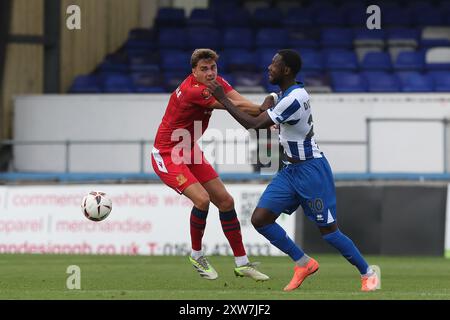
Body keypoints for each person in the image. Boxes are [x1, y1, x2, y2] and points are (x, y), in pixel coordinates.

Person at [206, 49, 380, 292]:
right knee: (260, 219)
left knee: (329, 232)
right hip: (290, 171)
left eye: (274, 64)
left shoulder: (294, 98)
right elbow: (272, 103)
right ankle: (303, 263)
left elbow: (255, 125)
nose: (269, 67)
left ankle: (368, 273)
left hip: (311, 170)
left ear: (286, 70)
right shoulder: (288, 93)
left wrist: (223, 99)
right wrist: (268, 99)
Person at [151, 48, 271, 281]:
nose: (209, 73)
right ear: (193, 71)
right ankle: (197, 255)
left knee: (226, 201)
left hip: (189, 149)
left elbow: (238, 100)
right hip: (167, 154)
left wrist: (262, 111)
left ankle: (242, 263)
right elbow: (231, 106)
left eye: (213, 68)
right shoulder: (192, 90)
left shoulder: (216, 83)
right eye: (204, 69)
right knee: (203, 199)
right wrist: (265, 110)